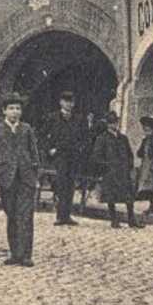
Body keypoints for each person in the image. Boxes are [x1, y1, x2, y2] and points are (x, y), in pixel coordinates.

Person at [0, 96, 40, 266]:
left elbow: (34, 154)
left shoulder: (27, 130)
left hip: (25, 179)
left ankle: (26, 255)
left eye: (18, 108)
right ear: (4, 111)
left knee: (26, 217)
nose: (15, 112)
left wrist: (35, 177)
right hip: (6, 180)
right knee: (12, 216)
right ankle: (15, 253)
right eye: (11, 108)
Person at [39, 88, 87, 226]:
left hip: (73, 155)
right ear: (61, 102)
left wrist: (80, 147)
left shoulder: (78, 119)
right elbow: (41, 135)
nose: (69, 104)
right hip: (59, 155)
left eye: (71, 102)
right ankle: (60, 215)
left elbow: (85, 136)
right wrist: (49, 149)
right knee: (61, 183)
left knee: (71, 184)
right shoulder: (53, 117)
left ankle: (67, 215)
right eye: (66, 101)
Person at [89, 109, 140, 229]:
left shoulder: (123, 138)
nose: (114, 125)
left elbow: (129, 154)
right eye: (111, 122)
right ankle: (114, 219)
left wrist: (129, 165)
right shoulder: (102, 139)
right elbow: (96, 157)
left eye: (115, 122)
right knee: (111, 197)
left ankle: (132, 220)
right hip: (110, 172)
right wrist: (106, 166)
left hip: (123, 171)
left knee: (128, 197)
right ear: (107, 124)